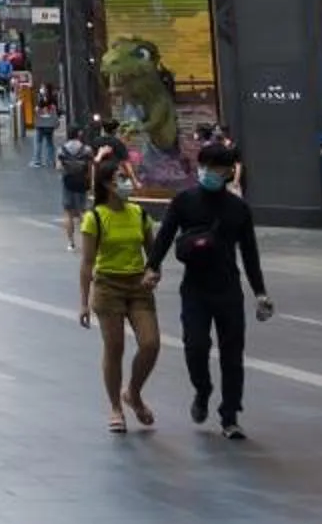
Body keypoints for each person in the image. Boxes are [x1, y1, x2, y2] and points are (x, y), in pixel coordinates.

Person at [150, 138, 273, 440]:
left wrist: (260, 293)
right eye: (206, 166)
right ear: (200, 166)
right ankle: (202, 389)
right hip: (195, 288)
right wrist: (152, 268)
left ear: (230, 171)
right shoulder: (184, 201)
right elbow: (164, 237)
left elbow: (249, 253)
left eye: (218, 167)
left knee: (233, 354)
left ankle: (230, 415)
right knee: (195, 346)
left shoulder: (238, 209)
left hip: (228, 288)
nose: (210, 172)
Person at [77, 156, 161, 433]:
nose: (128, 183)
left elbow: (153, 254)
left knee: (150, 343)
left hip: (138, 286)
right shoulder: (95, 218)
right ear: (106, 183)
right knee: (115, 348)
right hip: (107, 286)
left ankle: (133, 393)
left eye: (128, 177)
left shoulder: (139, 214)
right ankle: (115, 406)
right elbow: (88, 262)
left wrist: (153, 272)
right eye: (121, 178)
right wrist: (84, 302)